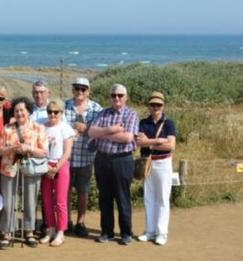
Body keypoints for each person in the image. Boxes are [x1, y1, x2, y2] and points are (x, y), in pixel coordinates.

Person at [88, 84, 139, 246]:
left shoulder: (131, 114)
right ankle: (107, 232)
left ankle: (125, 232)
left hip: (122, 160)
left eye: (120, 95)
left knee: (122, 197)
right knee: (105, 197)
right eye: (113, 95)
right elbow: (91, 132)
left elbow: (127, 138)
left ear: (126, 97)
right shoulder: (103, 113)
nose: (116, 98)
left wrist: (103, 133)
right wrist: (112, 129)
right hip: (102, 159)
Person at [0, 97, 48, 250]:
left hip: (30, 169)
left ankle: (29, 231)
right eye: (16, 110)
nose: (19, 113)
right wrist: (10, 149)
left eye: (22, 110)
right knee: (8, 201)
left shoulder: (38, 128)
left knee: (30, 200)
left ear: (29, 112)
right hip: (9, 168)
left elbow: (44, 151)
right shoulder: (7, 129)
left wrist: (29, 149)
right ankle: (7, 232)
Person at [136, 91, 176, 246]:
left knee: (163, 198)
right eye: (153, 104)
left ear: (163, 106)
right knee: (149, 197)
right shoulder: (143, 123)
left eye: (158, 105)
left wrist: (150, 142)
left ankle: (162, 232)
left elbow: (171, 145)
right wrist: (158, 141)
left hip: (163, 162)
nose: (155, 107)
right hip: (148, 162)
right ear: (149, 106)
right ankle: (149, 231)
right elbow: (139, 142)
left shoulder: (169, 123)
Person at [64, 77, 103, 237]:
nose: (80, 92)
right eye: (77, 88)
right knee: (65, 192)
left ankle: (81, 221)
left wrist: (87, 129)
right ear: (73, 89)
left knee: (83, 192)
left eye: (83, 89)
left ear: (88, 91)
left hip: (86, 157)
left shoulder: (96, 108)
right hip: (66, 157)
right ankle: (66, 221)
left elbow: (100, 130)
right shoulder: (64, 105)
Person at [39, 99, 75, 247]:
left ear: (61, 113)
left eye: (56, 112)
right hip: (45, 166)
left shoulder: (65, 128)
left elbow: (67, 152)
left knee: (60, 201)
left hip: (60, 165)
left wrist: (56, 168)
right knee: (46, 200)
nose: (52, 114)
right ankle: (51, 229)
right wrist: (46, 166)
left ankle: (61, 231)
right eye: (50, 111)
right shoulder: (42, 126)